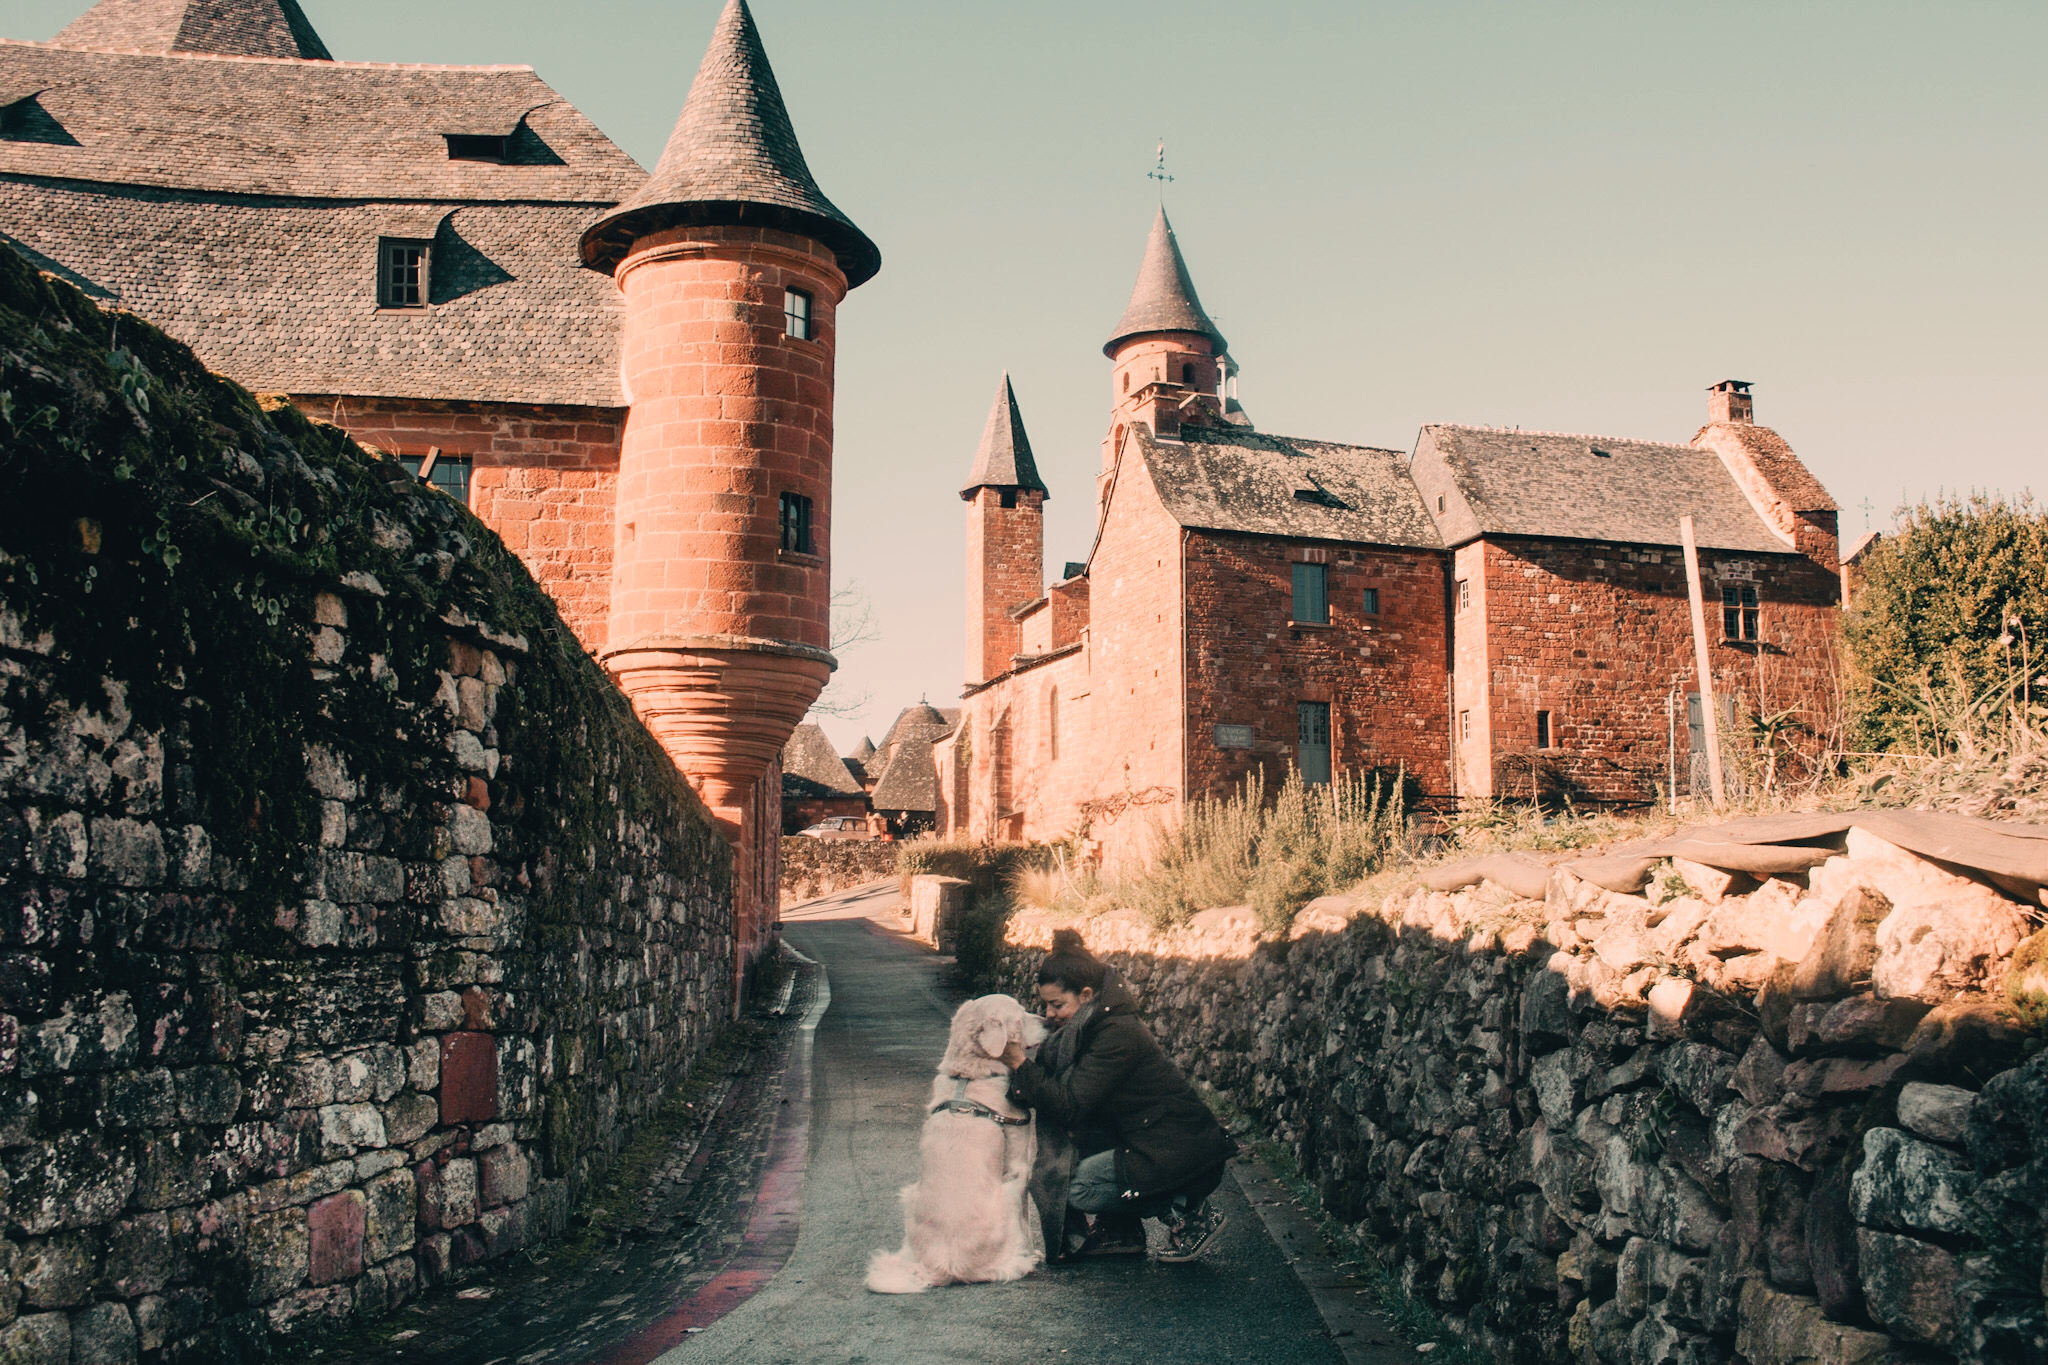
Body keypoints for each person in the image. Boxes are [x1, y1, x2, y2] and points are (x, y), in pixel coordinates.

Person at [1000, 929, 1236, 1262]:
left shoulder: (1116, 1034)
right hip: (1146, 1138)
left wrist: (1019, 1064)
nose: (1049, 1015)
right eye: (1045, 1005)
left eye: (1057, 1005)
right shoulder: (1085, 1028)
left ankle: (1190, 1212)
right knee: (1071, 1162)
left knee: (1072, 1186)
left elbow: (1070, 1105)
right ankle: (1121, 1230)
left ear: (1085, 995)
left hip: (1177, 1148)